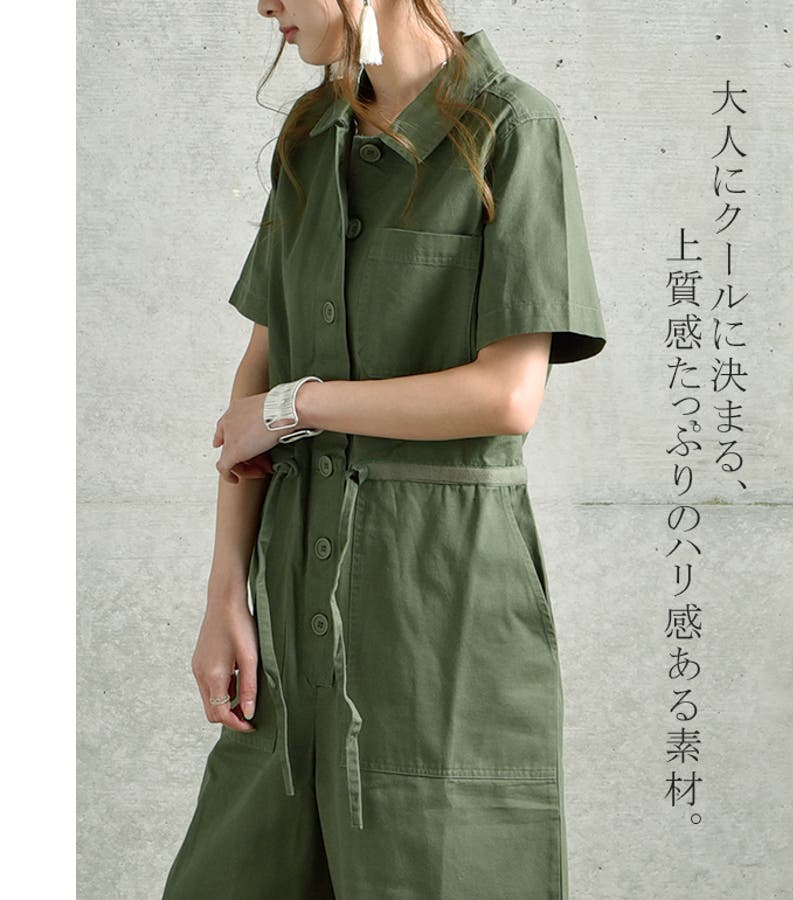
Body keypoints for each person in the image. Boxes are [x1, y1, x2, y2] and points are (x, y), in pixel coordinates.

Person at [161, 1, 608, 897]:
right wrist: (224, 596)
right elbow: (259, 372)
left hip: (437, 609)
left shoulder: (514, 131)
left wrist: (299, 407)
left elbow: (506, 396)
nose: (264, 5)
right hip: (290, 604)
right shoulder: (310, 137)